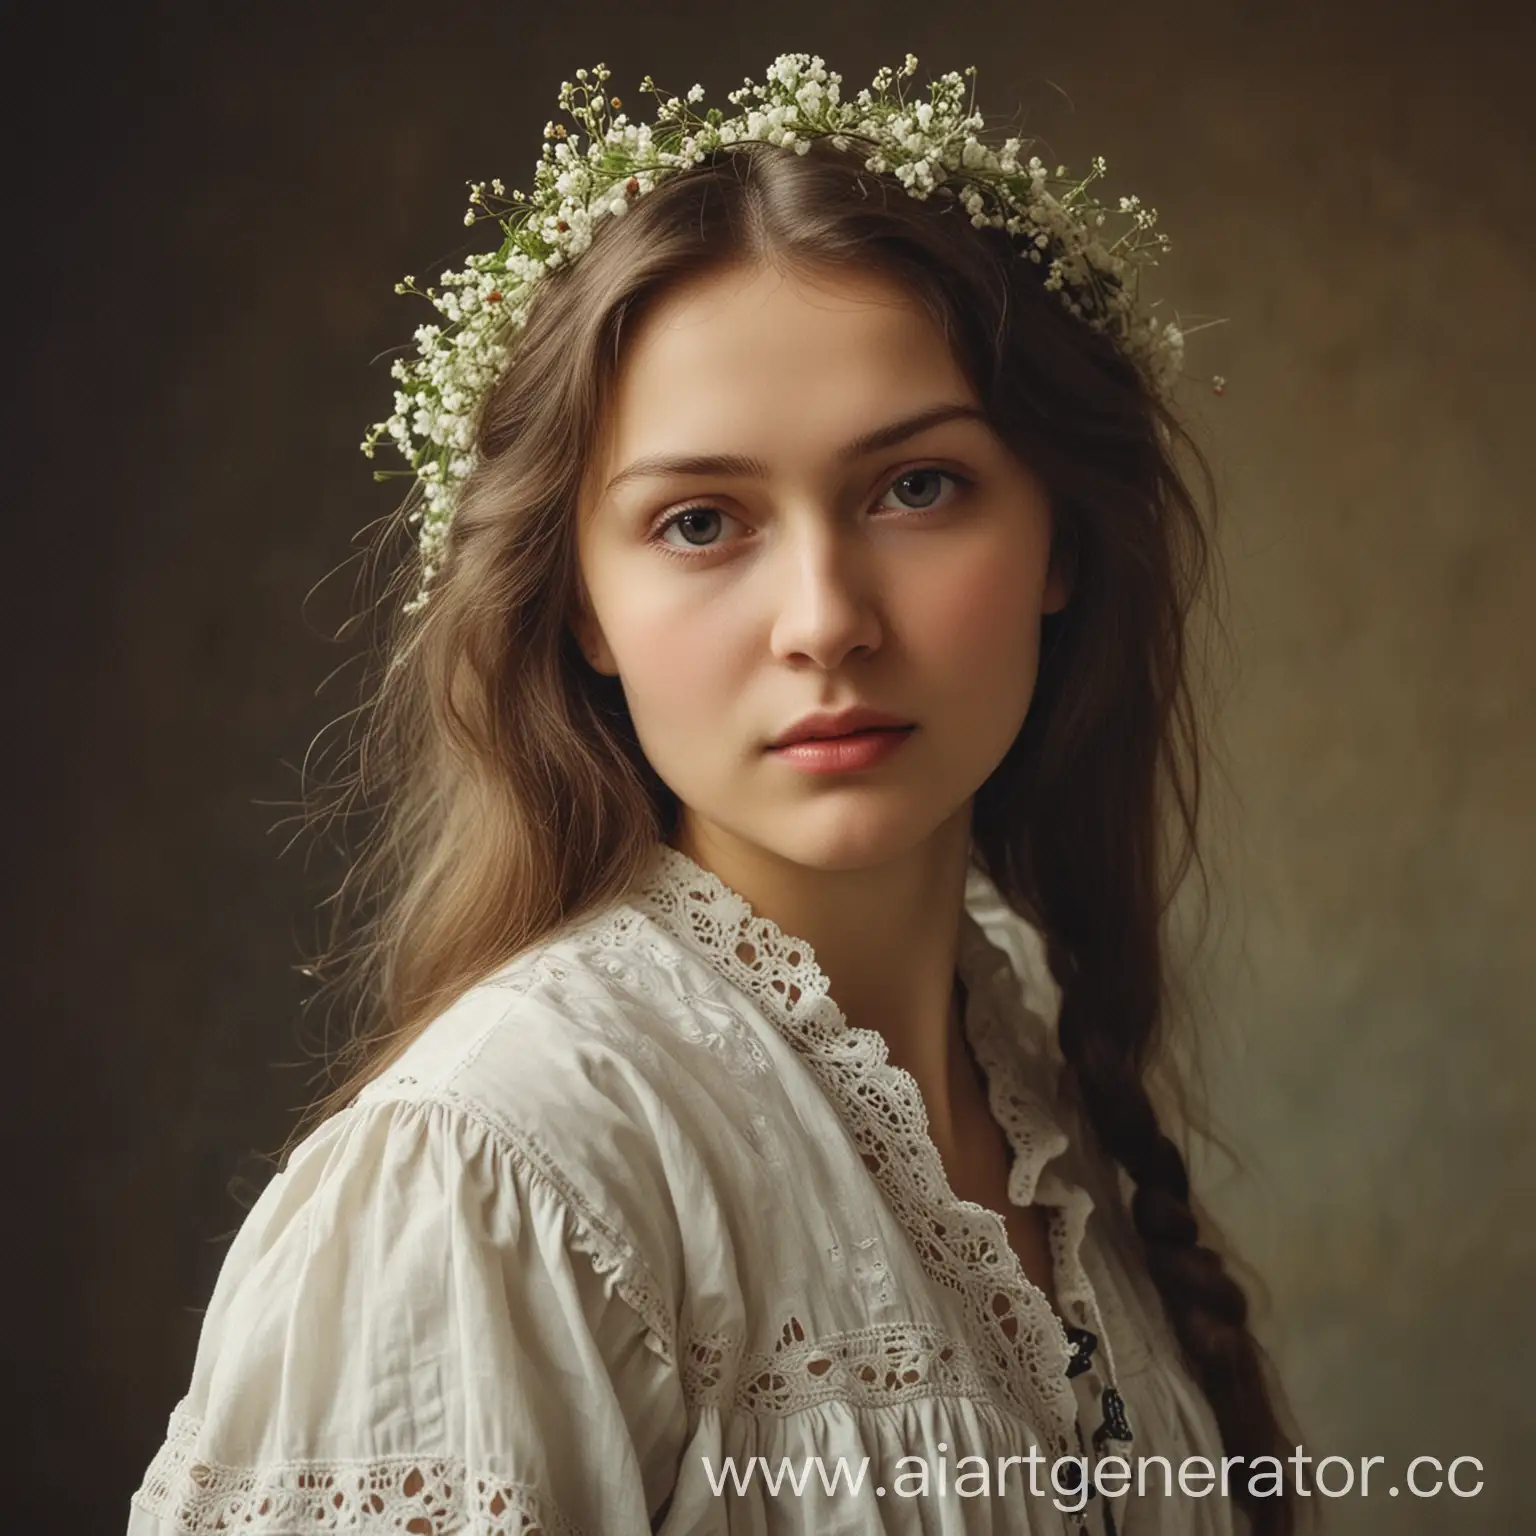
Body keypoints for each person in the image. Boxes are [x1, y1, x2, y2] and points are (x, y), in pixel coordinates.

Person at [129, 54, 1296, 1536]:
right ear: (582, 611)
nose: (824, 618)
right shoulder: (506, 1168)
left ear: (1060, 537)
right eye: (699, 521)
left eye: (916, 487)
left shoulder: (1042, 1112)